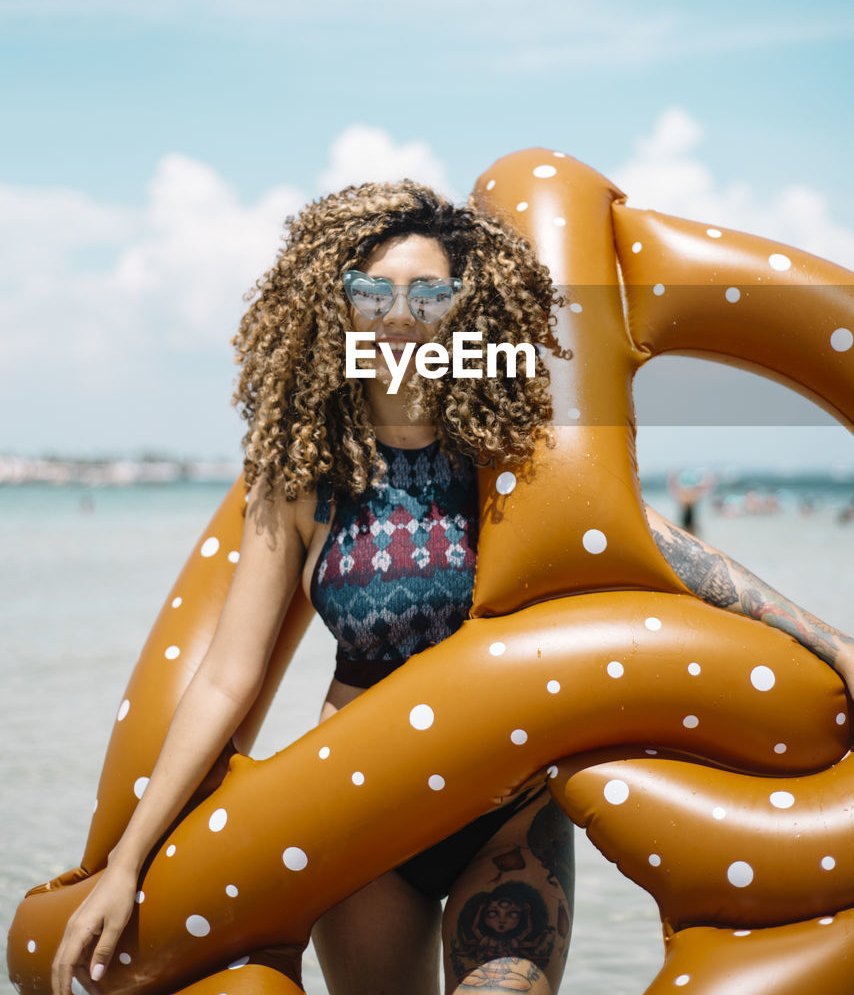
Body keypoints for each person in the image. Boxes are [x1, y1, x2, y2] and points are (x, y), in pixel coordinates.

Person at [52, 179, 854, 995]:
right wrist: (126, 864)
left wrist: (834, 647)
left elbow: (664, 552)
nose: (400, 317)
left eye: (429, 293)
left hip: (507, 811)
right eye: (374, 291)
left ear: (462, 311)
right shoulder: (300, 481)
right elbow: (228, 676)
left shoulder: (511, 454)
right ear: (338, 306)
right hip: (357, 811)